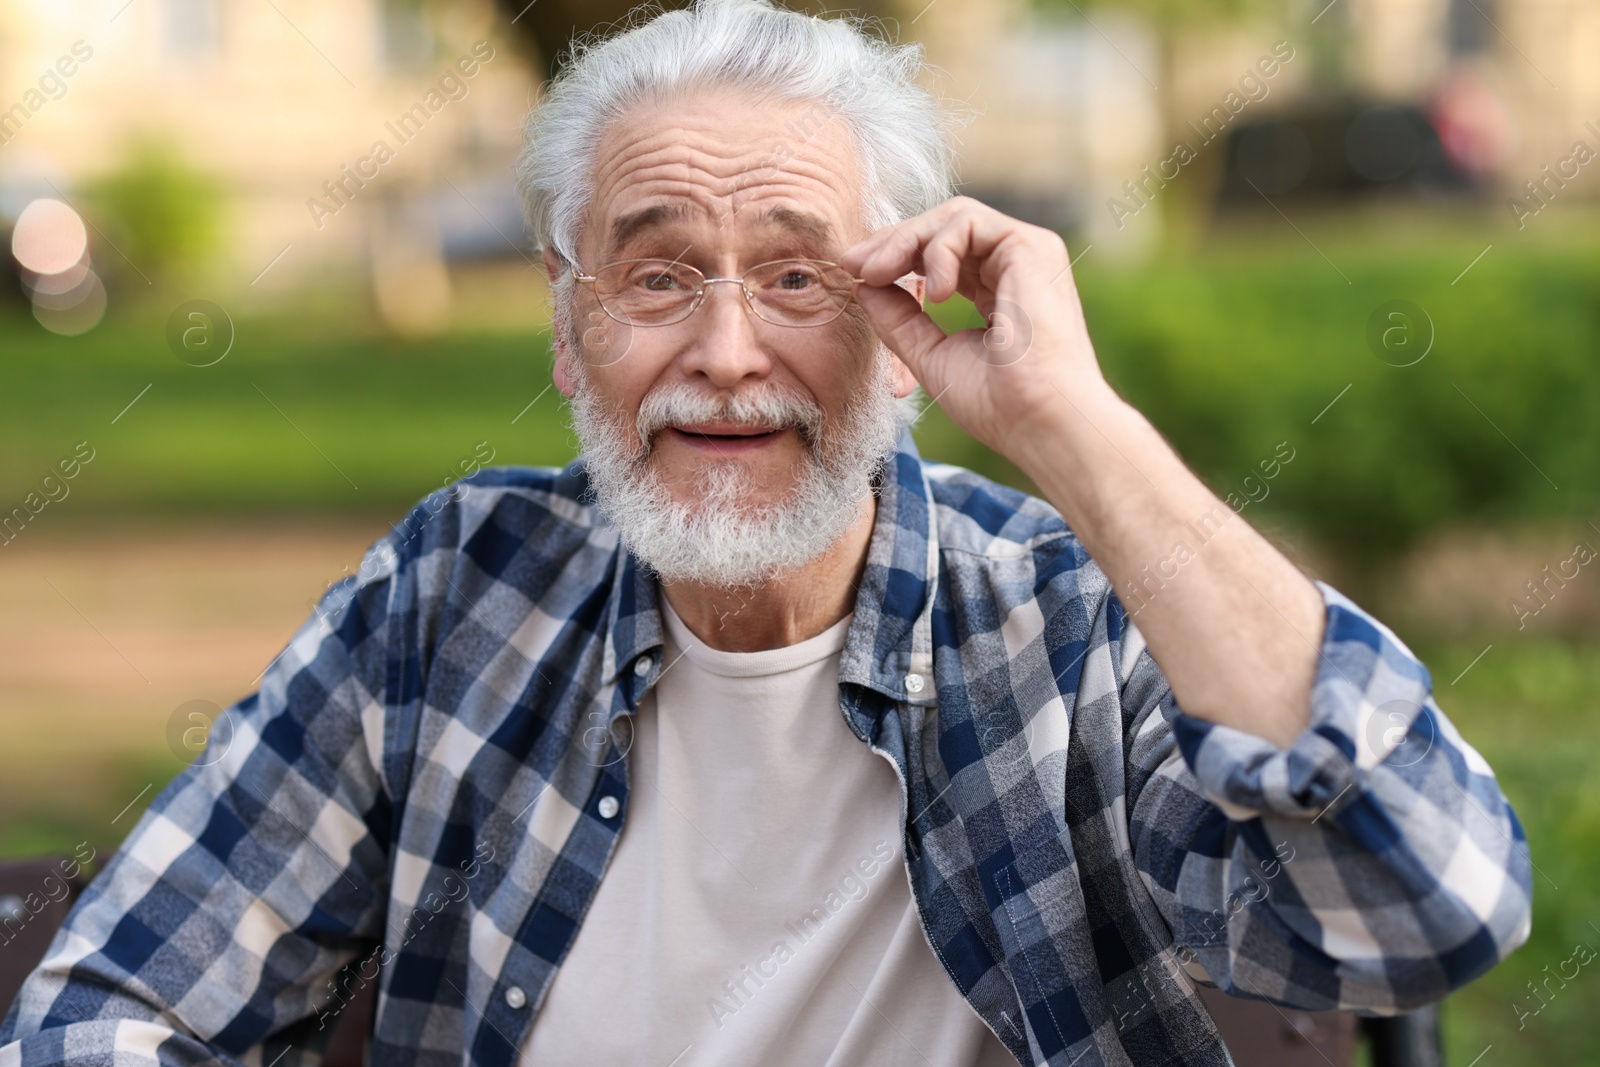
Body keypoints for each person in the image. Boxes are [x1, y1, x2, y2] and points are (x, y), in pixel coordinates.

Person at [0, 2, 1531, 1064]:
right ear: (566, 326)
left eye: (800, 279)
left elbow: (1427, 902)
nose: (726, 353)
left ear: (907, 318)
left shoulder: (1063, 621)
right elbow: (117, 1004)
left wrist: (1083, 434)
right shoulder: (453, 594)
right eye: (658, 277)